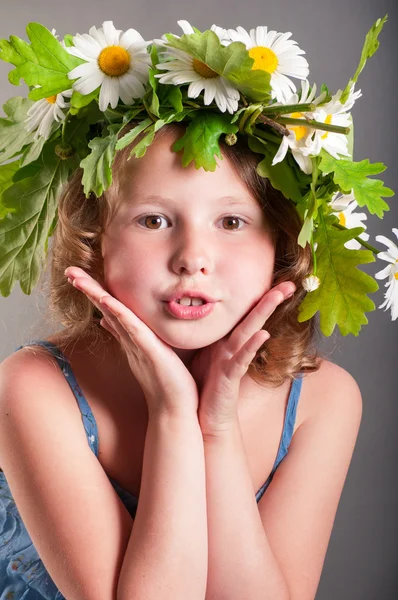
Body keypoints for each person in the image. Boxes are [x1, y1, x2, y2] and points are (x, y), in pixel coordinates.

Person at [0, 17, 393, 600]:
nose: (193, 259)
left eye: (232, 222)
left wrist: (216, 428)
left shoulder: (324, 402)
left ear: (282, 249)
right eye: (153, 220)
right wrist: (173, 412)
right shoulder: (31, 387)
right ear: (95, 241)